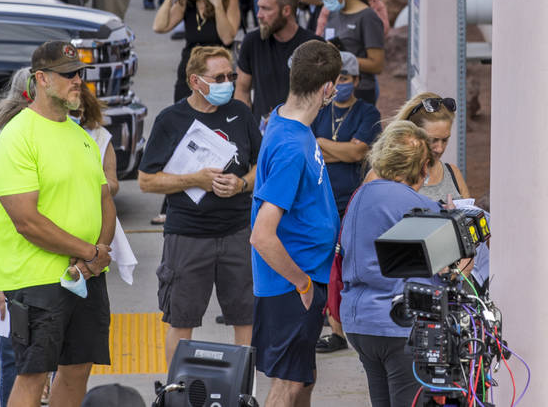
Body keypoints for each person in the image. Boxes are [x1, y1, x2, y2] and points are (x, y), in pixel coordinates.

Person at [0, 42, 116, 407]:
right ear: (41, 79)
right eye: (68, 74)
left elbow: (105, 200)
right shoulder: (17, 137)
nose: (78, 81)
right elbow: (27, 221)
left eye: (80, 73)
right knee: (32, 375)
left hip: (85, 276)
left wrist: (95, 258)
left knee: (78, 368)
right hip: (37, 280)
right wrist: (89, 252)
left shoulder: (79, 136)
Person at [138, 46, 261, 369]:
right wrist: (194, 179)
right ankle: (176, 392)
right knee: (182, 318)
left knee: (245, 315)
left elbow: (260, 165)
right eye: (218, 77)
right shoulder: (171, 120)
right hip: (188, 235)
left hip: (237, 231)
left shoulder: (241, 113)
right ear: (195, 81)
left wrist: (242, 184)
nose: (227, 82)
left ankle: (242, 389)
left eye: (231, 76)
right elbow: (147, 181)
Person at [250, 40, 343, 406]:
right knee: (287, 385)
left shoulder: (285, 118)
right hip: (291, 285)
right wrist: (302, 284)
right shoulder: (291, 146)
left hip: (303, 278)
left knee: (304, 380)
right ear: (328, 89)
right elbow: (262, 234)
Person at [339, 120, 444, 406]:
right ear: (422, 166)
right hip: (399, 323)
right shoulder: (417, 206)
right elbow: (447, 266)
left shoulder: (361, 194)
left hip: (360, 321)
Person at [311, 51, 382, 354]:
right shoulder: (319, 109)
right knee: (324, 263)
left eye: (344, 79)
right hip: (320, 199)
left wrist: (323, 146)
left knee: (345, 264)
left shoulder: (367, 113)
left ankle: (341, 327)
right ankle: (330, 325)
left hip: (351, 201)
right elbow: (310, 148)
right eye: (334, 79)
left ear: (356, 80)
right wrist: (343, 148)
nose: (338, 85)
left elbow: (358, 154)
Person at [153, 0, 240, 101]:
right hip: (190, 71)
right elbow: (159, 27)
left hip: (217, 76)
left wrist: (218, 4)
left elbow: (227, 38)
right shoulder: (187, 1)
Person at [236, 0, 322, 127]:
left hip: (302, 133)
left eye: (265, 9)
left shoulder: (314, 45)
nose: (259, 15)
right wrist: (246, 129)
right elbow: (242, 90)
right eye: (259, 7)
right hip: (264, 134)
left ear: (286, 11)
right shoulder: (252, 41)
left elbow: (323, 96)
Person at [311, 0, 385, 104]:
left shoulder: (368, 17)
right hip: (333, 90)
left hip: (359, 91)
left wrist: (341, 57)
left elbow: (377, 64)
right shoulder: (333, 13)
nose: (326, 2)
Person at [389, 93, 468, 201]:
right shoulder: (388, 176)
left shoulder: (453, 174)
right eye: (432, 140)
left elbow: (474, 216)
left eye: (445, 140)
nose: (440, 149)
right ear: (411, 134)